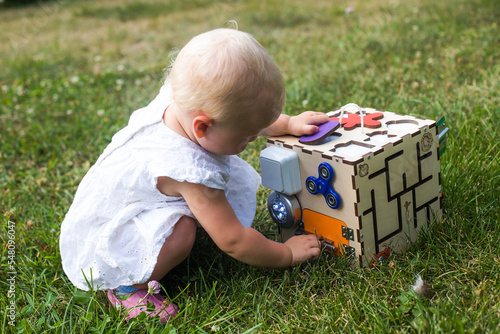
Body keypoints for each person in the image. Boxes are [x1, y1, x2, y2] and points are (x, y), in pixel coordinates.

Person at [59, 28, 329, 323]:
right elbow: (234, 241)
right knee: (183, 232)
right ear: (202, 127)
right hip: (114, 226)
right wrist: (286, 254)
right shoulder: (191, 172)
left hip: (123, 196)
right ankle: (128, 287)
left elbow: (238, 110)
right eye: (248, 136)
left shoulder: (182, 101)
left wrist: (287, 123)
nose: (251, 140)